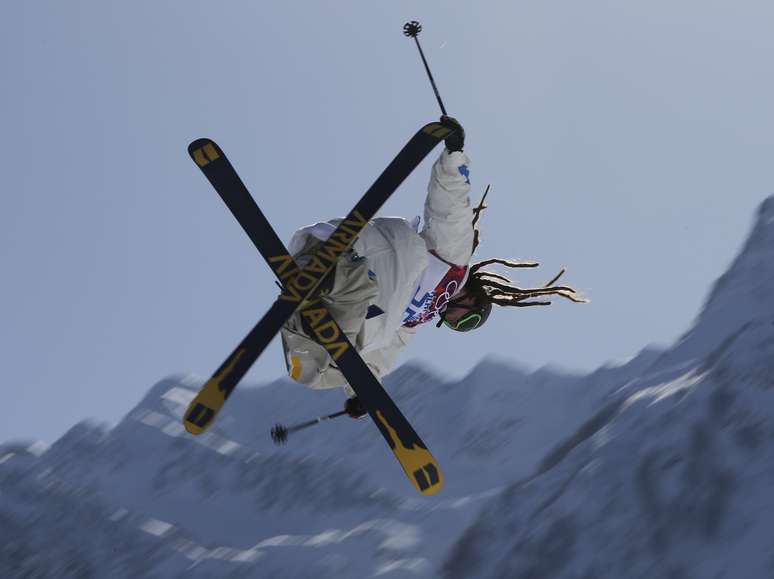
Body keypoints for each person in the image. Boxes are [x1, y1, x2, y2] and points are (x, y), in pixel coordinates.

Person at [280, 117, 586, 418]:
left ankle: (304, 317)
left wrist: (363, 390)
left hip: (337, 291)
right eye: (467, 322)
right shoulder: (454, 264)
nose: (454, 323)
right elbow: (449, 211)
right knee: (358, 311)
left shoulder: (415, 321)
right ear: (475, 299)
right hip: (358, 257)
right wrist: (454, 156)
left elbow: (381, 357)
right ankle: (325, 286)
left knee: (316, 373)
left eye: (458, 328)